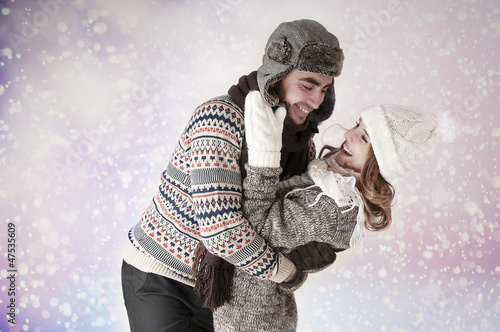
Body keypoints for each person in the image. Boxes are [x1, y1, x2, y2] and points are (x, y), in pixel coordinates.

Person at [121, 19, 345, 332]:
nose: (316, 100)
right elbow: (220, 229)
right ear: (275, 75)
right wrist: (289, 272)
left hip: (226, 287)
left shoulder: (300, 140)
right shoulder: (221, 118)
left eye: (324, 88)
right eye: (307, 85)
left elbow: (281, 217)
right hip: (164, 275)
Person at [210, 94, 440, 331]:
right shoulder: (327, 179)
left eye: (363, 137)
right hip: (237, 304)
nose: (348, 134)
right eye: (356, 125)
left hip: (252, 320)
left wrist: (264, 157)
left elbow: (256, 228)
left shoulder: (337, 206)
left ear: (380, 162)